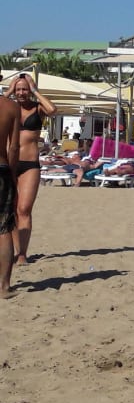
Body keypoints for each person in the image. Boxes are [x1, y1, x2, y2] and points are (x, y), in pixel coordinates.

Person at [5, 74, 57, 267]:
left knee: (24, 209)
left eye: (24, 89)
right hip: (8, 164)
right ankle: (14, 250)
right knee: (10, 210)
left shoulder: (38, 108)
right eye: (18, 89)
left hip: (29, 165)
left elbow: (52, 110)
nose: (21, 93)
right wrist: (8, 92)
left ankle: (22, 254)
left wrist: (35, 90)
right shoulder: (8, 106)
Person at [1, 90, 18, 298]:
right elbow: (14, 147)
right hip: (2, 168)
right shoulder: (11, 106)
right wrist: (13, 174)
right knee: (4, 228)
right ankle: (4, 287)